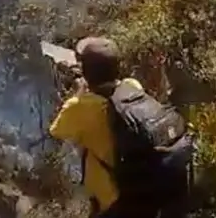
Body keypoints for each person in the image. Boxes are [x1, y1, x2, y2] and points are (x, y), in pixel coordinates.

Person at [50, 37, 193, 218]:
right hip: (150, 189)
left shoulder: (80, 106)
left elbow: (57, 131)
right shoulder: (131, 86)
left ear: (86, 72)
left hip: (114, 200)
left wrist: (79, 91)